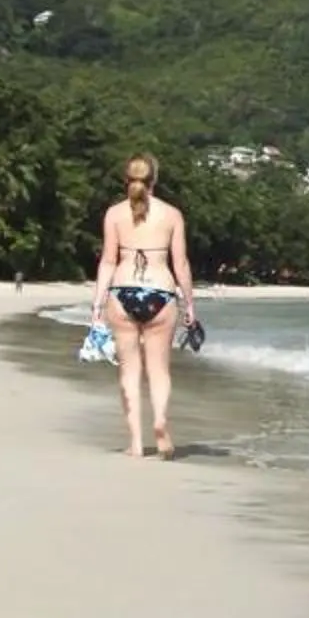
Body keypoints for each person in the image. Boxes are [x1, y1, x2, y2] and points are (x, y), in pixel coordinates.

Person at [92, 154, 195, 459]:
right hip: (160, 293)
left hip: (122, 292)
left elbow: (108, 260)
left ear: (128, 180)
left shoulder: (114, 214)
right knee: (159, 370)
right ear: (155, 180)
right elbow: (181, 264)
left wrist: (97, 304)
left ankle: (136, 443)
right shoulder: (172, 214)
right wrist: (190, 304)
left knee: (129, 372)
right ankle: (160, 420)